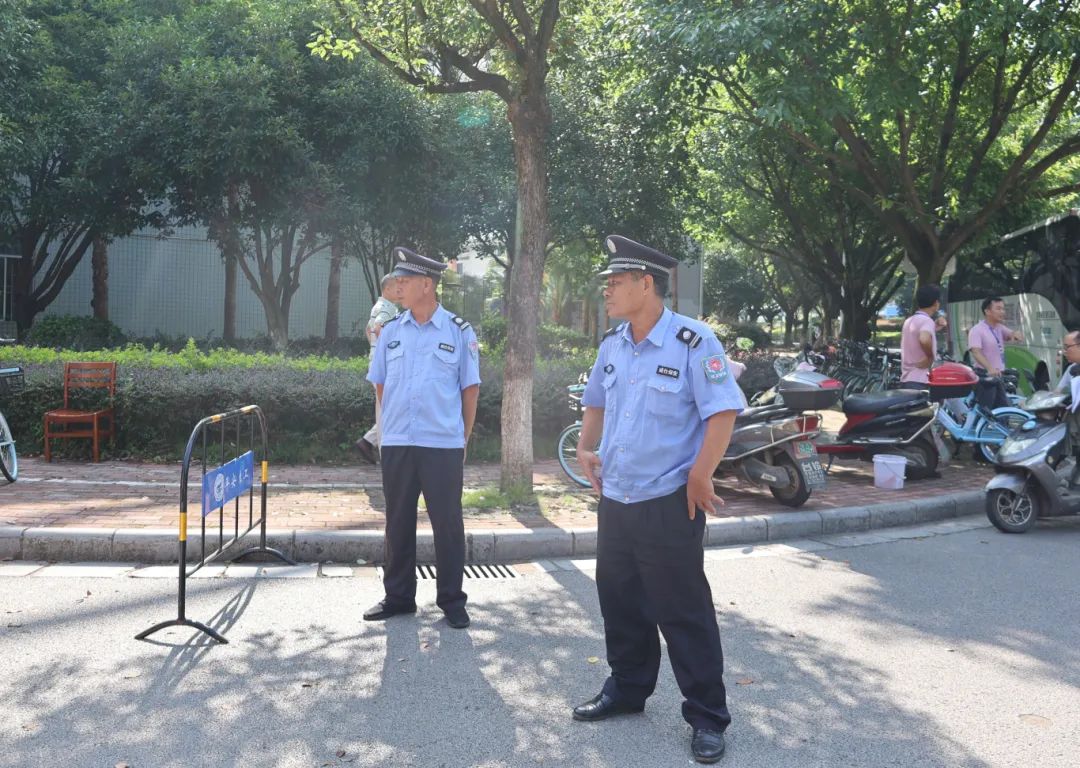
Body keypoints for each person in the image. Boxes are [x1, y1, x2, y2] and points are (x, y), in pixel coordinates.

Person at [573, 235, 744, 764]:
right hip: (617, 497)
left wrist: (700, 475)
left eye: (615, 282)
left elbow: (722, 412)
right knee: (620, 601)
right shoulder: (613, 344)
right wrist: (584, 446)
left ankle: (707, 716)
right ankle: (628, 689)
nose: (607, 290)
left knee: (683, 610)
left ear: (645, 284)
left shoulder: (694, 341)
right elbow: (596, 401)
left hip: (669, 500)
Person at [363, 247, 480, 630]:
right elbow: (380, 384)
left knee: (448, 524)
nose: (398, 286)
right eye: (397, 280)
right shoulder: (391, 331)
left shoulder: (458, 332)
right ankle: (398, 597)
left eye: (405, 281)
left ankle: (452, 600)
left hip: (442, 444)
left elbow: (470, 391)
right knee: (397, 521)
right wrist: (394, 426)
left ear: (426, 285)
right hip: (398, 441)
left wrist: (461, 438)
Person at [355, 274, 401, 464]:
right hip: (384, 364)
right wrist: (388, 349)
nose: (400, 291)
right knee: (387, 408)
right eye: (397, 288)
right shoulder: (387, 308)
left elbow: (369, 330)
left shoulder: (379, 306)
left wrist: (374, 348)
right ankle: (384, 453)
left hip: (378, 362)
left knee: (386, 407)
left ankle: (368, 442)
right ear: (387, 289)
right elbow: (377, 326)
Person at [899, 284, 943, 389]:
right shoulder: (927, 321)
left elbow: (917, 335)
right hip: (920, 380)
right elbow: (924, 339)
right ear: (936, 303)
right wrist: (930, 357)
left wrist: (935, 326)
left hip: (907, 379)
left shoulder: (909, 321)